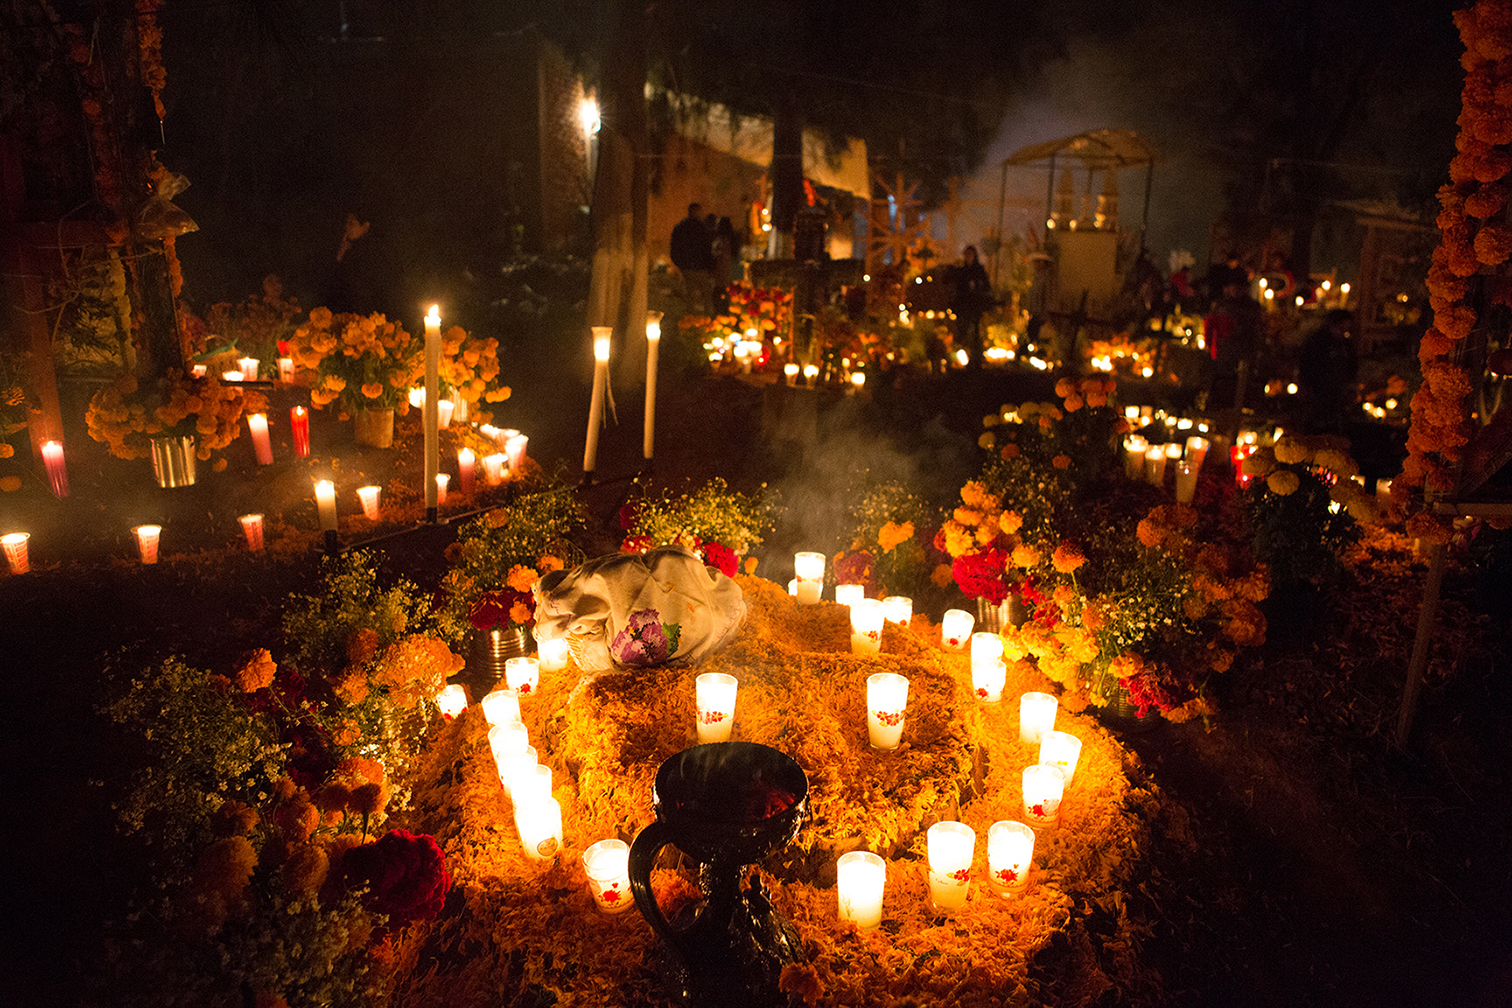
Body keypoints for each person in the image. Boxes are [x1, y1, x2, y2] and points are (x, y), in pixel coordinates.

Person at [1203, 276, 1263, 410]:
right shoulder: (1220, 306)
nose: (1236, 291)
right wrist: (1208, 344)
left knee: (1240, 380)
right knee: (1222, 377)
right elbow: (1210, 324)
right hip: (1224, 349)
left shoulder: (1251, 307)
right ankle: (1218, 405)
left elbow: (1256, 328)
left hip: (1243, 348)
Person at [1296, 309, 1360, 433]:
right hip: (1317, 392)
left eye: (1346, 329)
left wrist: (1350, 385)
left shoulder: (1345, 345)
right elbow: (1306, 365)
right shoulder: (1317, 342)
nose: (1343, 332)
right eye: (1341, 328)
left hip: (1338, 394)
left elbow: (1352, 366)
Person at [949, 245, 994, 368]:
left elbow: (986, 287)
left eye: (971, 255)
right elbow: (956, 288)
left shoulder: (979, 271)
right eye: (966, 255)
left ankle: (975, 359)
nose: (968, 257)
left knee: (975, 333)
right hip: (964, 308)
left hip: (975, 308)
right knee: (962, 331)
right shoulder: (962, 271)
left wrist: (978, 290)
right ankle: (960, 358)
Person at [670, 203, 715, 314]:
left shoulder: (682, 227)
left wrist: (680, 264)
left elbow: (675, 247)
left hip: (689, 267)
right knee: (705, 296)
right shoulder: (702, 228)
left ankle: (691, 322)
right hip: (699, 267)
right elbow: (707, 248)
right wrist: (710, 267)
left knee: (691, 296)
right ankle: (706, 321)